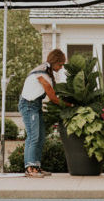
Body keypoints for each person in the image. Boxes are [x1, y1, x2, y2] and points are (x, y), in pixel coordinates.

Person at [19, 49, 69, 178]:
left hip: (36, 106)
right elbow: (53, 97)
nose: (61, 67)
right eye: (60, 64)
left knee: (40, 137)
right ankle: (29, 168)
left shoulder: (47, 72)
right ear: (54, 61)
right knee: (33, 136)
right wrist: (70, 105)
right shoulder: (41, 72)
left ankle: (36, 166)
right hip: (29, 105)